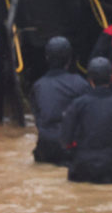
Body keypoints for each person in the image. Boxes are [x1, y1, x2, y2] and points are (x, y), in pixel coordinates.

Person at [29, 36, 90, 165]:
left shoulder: (38, 86)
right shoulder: (80, 83)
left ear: (47, 58)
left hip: (45, 147)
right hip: (71, 146)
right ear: (69, 59)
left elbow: (38, 118)